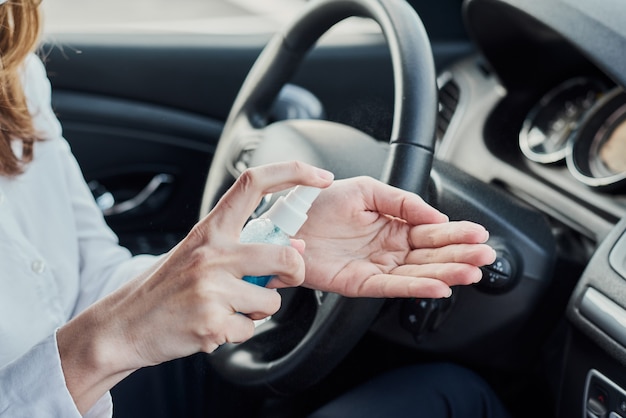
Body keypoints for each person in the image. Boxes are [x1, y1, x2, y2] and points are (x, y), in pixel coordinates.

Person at [0, 0, 510, 417]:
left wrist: (268, 243)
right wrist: (110, 340)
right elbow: (102, 327)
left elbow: (89, 280)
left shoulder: (12, 68)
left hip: (84, 390)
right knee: (453, 400)